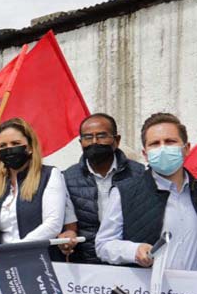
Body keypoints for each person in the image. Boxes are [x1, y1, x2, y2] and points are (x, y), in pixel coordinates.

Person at [96, 113, 197, 270]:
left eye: (170, 141)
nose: (163, 148)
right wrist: (133, 251)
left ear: (186, 149)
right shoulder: (124, 192)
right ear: (145, 154)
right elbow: (103, 245)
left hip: (190, 292)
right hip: (146, 291)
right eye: (155, 144)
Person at [58, 114, 145, 263]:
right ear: (81, 143)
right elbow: (67, 225)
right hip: (86, 265)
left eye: (101, 136)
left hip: (130, 262)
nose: (94, 142)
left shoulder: (140, 174)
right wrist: (66, 237)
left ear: (116, 140)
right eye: (88, 137)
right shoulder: (67, 178)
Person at [0, 118, 67, 245]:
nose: (9, 149)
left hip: (36, 258)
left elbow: (53, 225)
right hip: (3, 259)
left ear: (30, 147)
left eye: (15, 143)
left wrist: (18, 248)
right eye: (3, 146)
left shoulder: (49, 175)